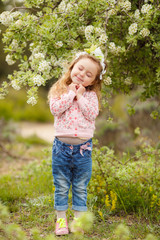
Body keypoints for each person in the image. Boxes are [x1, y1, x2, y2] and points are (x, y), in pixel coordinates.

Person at [48, 46, 106, 235]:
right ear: (72, 66)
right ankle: (61, 221)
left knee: (80, 186)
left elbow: (91, 114)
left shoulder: (90, 96)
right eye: (80, 68)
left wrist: (80, 96)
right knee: (61, 185)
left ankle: (79, 222)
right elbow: (56, 109)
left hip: (83, 149)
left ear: (94, 80)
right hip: (61, 148)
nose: (82, 74)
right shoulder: (60, 90)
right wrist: (71, 94)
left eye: (89, 74)